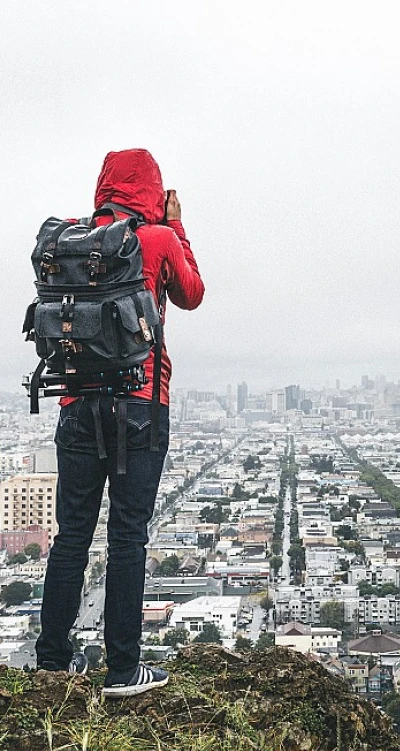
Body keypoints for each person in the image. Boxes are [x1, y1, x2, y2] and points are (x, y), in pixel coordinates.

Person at [35, 149, 204, 697]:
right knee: (128, 536)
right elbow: (192, 294)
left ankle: (53, 661)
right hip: (139, 405)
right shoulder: (155, 239)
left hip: (75, 405)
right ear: (153, 191)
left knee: (72, 536)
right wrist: (176, 226)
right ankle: (124, 669)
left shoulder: (74, 241)